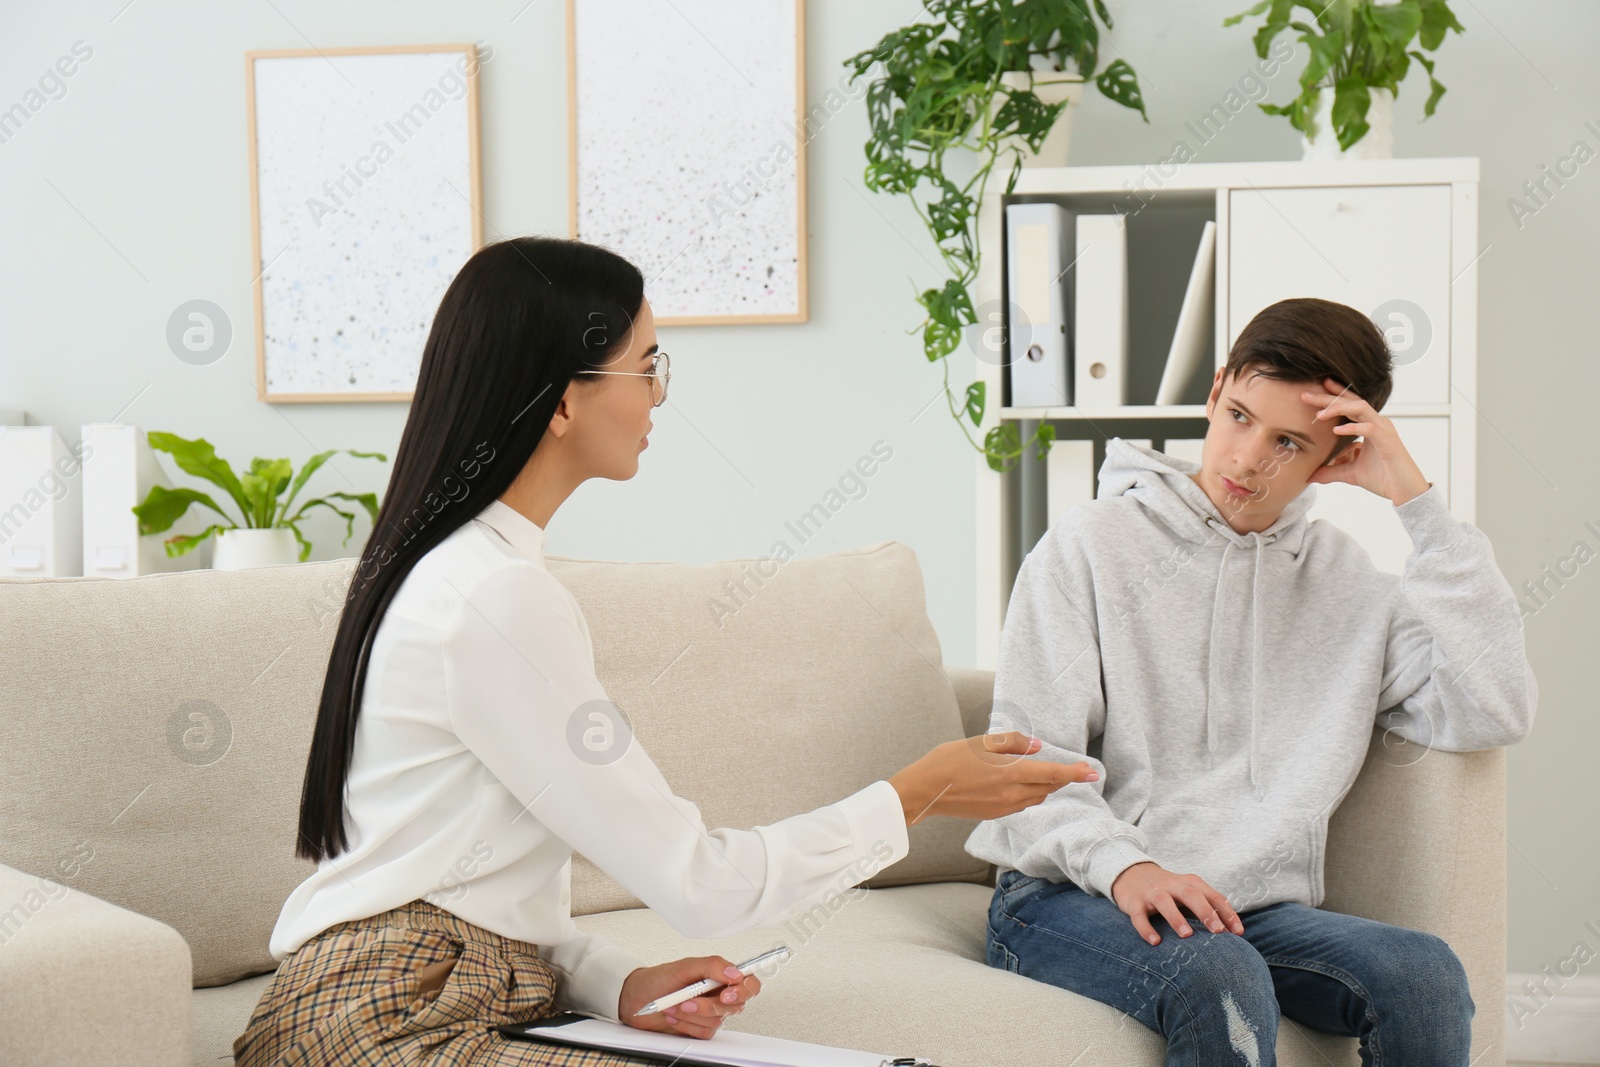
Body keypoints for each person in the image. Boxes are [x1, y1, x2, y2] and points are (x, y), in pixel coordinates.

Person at [232, 235, 1096, 1067]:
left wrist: (621, 983)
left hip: (387, 1003)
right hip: (381, 1028)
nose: (659, 395)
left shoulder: (459, 571)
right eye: (647, 366)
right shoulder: (493, 599)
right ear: (563, 398)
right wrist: (918, 792)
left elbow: (470, 882)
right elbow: (701, 883)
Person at [966, 297, 1538, 1066]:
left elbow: (1494, 706)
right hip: (1069, 895)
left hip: (1245, 909)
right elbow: (1026, 765)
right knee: (1217, 970)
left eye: (1287, 442)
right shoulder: (1090, 545)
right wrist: (1126, 865)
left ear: (1333, 457)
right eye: (1238, 415)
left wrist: (1419, 504)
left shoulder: (1349, 588)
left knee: (1423, 973)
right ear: (1213, 392)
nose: (1246, 459)